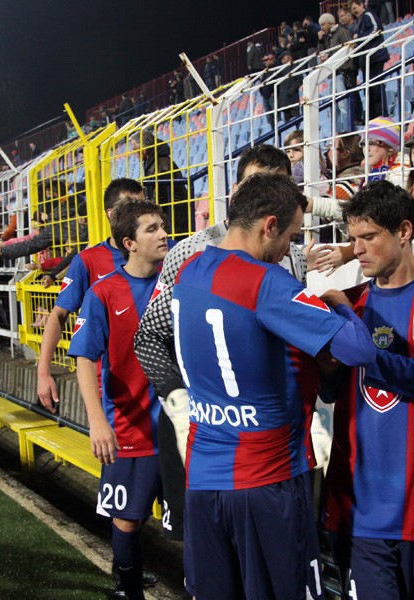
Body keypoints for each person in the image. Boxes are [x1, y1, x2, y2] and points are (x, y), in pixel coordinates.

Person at [172, 172, 375, 599]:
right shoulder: (267, 282)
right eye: (291, 235)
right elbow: (358, 350)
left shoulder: (189, 270)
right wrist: (338, 304)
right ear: (269, 225)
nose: (288, 249)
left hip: (203, 476)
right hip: (267, 478)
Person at [134, 144, 307, 550]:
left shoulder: (293, 255)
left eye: (280, 185)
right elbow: (150, 335)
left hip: (268, 441)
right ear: (236, 191)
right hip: (205, 434)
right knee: (206, 558)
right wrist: (179, 407)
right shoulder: (191, 251)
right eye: (256, 183)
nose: (269, 194)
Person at [320, 180, 414, 599]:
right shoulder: (347, 303)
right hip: (361, 508)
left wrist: (365, 352)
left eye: (369, 237)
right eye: (353, 238)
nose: (357, 249)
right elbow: (332, 392)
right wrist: (328, 364)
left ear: (404, 231)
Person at [67, 200, 169, 600]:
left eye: (162, 226)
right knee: (127, 523)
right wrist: (97, 421)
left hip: (181, 432)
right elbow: (84, 358)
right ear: (130, 243)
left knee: (193, 524)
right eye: (152, 229)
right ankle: (129, 591)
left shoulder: (177, 284)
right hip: (129, 430)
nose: (163, 234)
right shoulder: (104, 292)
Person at [36, 179, 146, 412]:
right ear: (111, 214)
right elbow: (59, 315)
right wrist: (43, 372)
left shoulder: (162, 252)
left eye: (144, 205)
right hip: (114, 389)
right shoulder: (88, 260)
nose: (141, 213)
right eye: (133, 206)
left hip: (160, 384)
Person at [133, 130, 190, 240]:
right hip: (170, 214)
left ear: (144, 149)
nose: (134, 153)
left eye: (135, 150)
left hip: (175, 217)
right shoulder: (153, 161)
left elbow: (159, 195)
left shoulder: (161, 164)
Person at [351, 0, 390, 121]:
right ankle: (372, 118)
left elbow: (377, 29)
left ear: (362, 5)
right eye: (352, 9)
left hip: (375, 57)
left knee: (376, 88)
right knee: (369, 90)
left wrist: (360, 37)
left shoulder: (368, 14)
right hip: (367, 60)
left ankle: (381, 116)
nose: (354, 11)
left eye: (355, 7)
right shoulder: (360, 21)